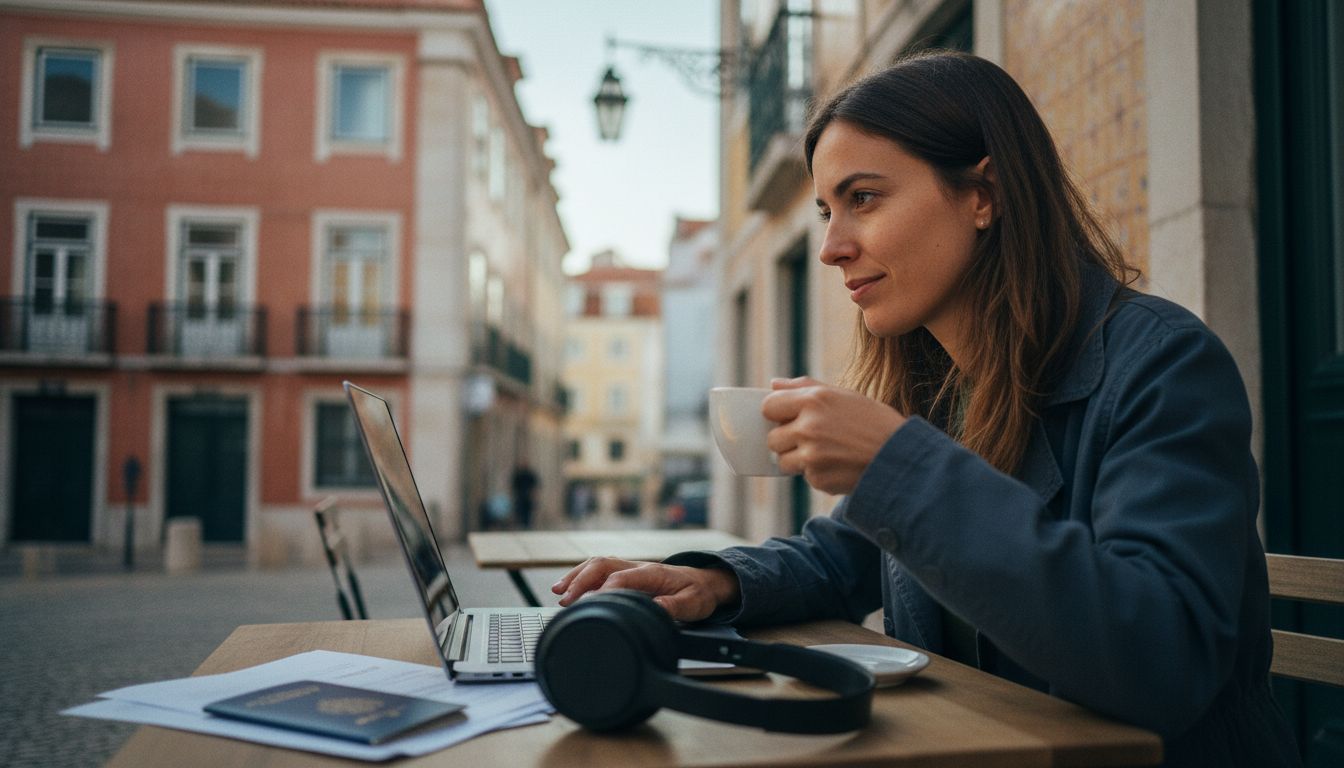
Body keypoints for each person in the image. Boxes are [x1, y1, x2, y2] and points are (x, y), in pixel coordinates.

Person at [550, 51, 1299, 767]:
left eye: (863, 199)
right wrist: (714, 582)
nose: (833, 247)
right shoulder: (947, 384)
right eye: (825, 212)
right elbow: (845, 556)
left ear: (983, 194)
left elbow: (1162, 660)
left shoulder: (1161, 363)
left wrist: (896, 466)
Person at [510, 461, 539, 529]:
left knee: (528, 511)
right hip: (520, 495)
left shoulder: (530, 474)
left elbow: (534, 485)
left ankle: (527, 524)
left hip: (528, 496)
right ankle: (522, 524)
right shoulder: (519, 474)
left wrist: (534, 494)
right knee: (520, 510)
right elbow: (514, 485)